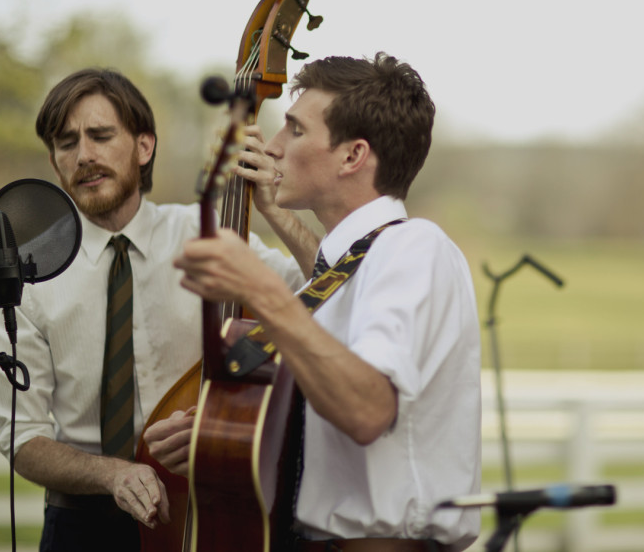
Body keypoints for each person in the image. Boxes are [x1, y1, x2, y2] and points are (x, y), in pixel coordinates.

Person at [145, 53, 482, 551]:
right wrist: (226, 437)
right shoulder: (364, 260)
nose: (274, 147)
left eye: (295, 131)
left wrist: (261, 288)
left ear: (352, 156)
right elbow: (334, 292)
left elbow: (366, 409)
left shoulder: (415, 247)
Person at [0, 68, 319, 552]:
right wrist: (112, 474)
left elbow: (324, 291)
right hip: (81, 528)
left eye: (101, 136)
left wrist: (275, 211)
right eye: (67, 143)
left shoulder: (204, 232)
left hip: (201, 513)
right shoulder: (30, 275)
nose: (85, 156)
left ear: (144, 147)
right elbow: (23, 439)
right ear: (54, 163)